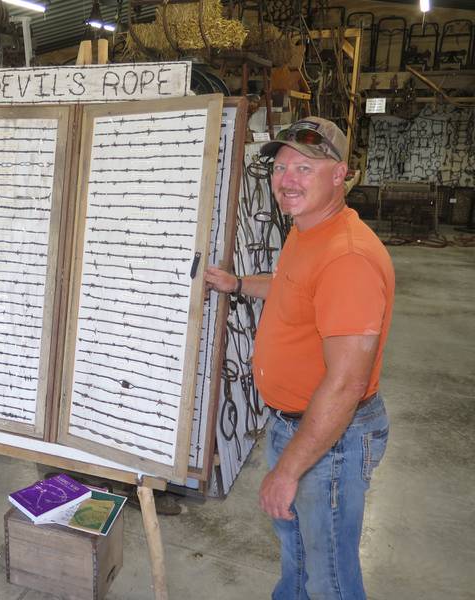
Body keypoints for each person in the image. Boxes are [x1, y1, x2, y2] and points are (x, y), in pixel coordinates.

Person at [204, 117, 395, 599]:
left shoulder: (347, 258)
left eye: (306, 167)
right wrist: (240, 284)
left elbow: (347, 384)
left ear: (341, 175)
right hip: (296, 424)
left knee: (329, 573)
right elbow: (294, 290)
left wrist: (287, 470)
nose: (288, 179)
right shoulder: (308, 230)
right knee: (299, 556)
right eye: (282, 166)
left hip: (331, 437)